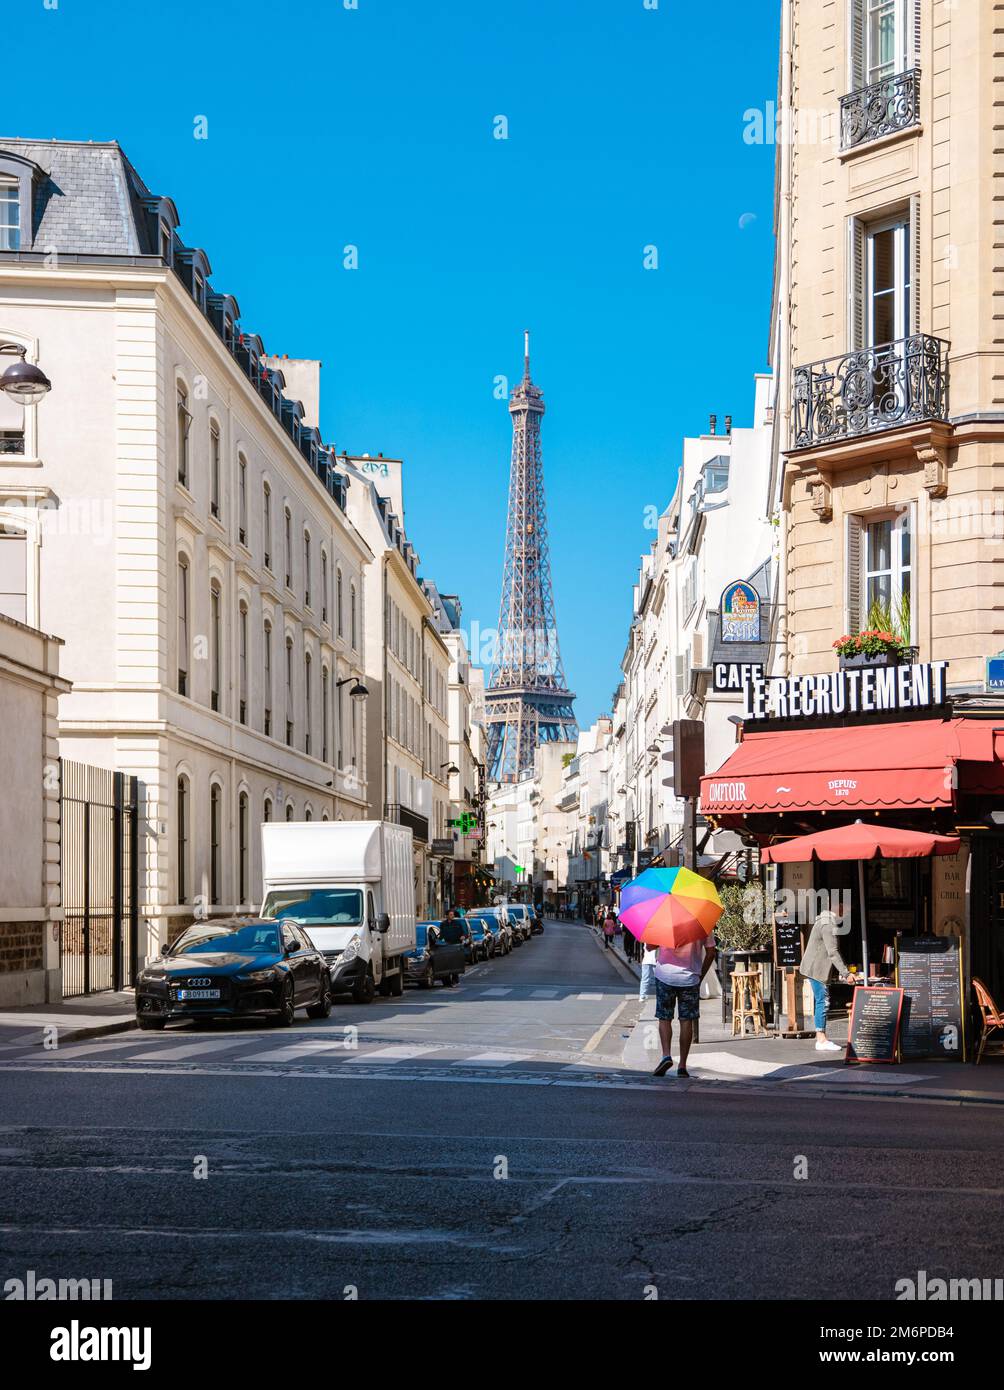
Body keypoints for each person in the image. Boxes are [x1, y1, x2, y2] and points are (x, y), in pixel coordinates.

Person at [652, 932, 717, 1078]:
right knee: (686, 1020)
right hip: (690, 978)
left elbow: (649, 946)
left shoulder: (664, 921)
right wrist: (700, 974)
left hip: (664, 976)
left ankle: (666, 1056)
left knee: (664, 1018)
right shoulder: (702, 923)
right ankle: (682, 1065)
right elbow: (711, 952)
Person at [800, 898, 851, 1051]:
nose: (847, 913)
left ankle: (821, 1038)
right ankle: (821, 1039)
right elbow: (832, 952)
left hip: (816, 968)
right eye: (846, 910)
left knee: (823, 1000)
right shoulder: (828, 924)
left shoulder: (826, 920)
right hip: (816, 969)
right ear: (838, 908)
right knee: (823, 1001)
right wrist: (846, 973)